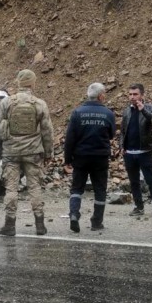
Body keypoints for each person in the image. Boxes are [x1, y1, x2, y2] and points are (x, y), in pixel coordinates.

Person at [0, 69, 54, 236]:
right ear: (32, 84)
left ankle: (9, 225)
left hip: (11, 153)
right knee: (35, 188)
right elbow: (47, 132)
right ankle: (40, 225)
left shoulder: (6, 103)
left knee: (11, 189)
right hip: (33, 153)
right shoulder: (39, 104)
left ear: (18, 83)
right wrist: (49, 154)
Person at [64, 83, 116, 233]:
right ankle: (96, 222)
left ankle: (74, 214)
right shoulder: (108, 113)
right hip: (100, 158)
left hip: (80, 157)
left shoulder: (77, 113)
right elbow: (112, 134)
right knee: (100, 189)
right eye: (104, 94)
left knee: (77, 188)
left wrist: (67, 160)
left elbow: (70, 139)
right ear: (100, 96)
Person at [120, 83, 152, 218]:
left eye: (135, 94)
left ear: (142, 95)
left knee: (151, 181)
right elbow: (122, 131)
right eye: (130, 94)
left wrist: (143, 109)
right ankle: (138, 207)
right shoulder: (127, 111)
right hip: (129, 153)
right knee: (134, 182)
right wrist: (122, 146)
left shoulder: (150, 108)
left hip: (145, 152)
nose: (132, 97)